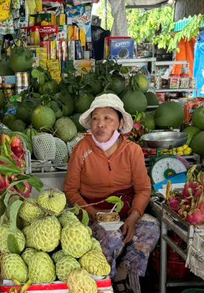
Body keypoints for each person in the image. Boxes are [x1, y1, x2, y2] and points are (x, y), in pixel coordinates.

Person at [64, 94, 159, 282]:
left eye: (108, 118)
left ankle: (123, 278)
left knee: (151, 228)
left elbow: (143, 189)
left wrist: (132, 217)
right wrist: (93, 214)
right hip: (93, 215)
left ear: (120, 123)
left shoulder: (133, 151)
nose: (101, 124)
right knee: (112, 237)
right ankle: (103, 283)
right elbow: (71, 190)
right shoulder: (82, 149)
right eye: (95, 118)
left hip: (126, 212)